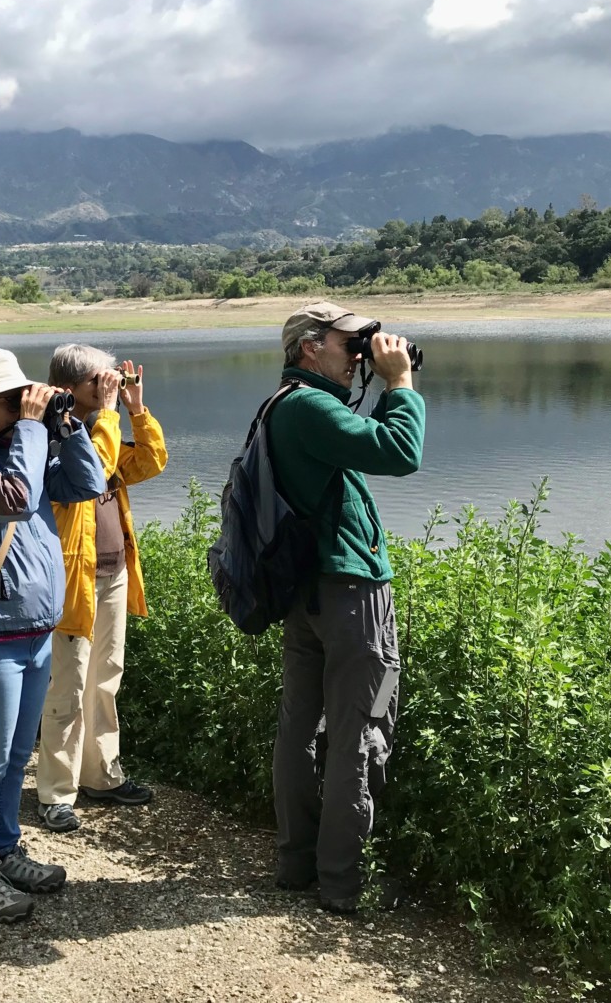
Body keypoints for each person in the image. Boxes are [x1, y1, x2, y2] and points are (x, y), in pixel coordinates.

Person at [267, 302, 425, 915]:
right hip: (351, 596)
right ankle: (342, 881)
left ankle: (297, 865)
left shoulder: (288, 402)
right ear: (311, 348)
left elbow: (366, 447)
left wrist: (380, 381)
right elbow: (399, 453)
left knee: (301, 726)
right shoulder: (309, 406)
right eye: (350, 342)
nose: (362, 351)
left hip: (310, 596)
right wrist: (401, 383)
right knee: (363, 727)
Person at [0, 348, 105, 923]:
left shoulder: (23, 450)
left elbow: (87, 483)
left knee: (15, 758)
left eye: (21, 396)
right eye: (9, 400)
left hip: (35, 633)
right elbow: (14, 500)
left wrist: (71, 424)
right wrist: (33, 427)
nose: (19, 406)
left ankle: (5, 849)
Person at [36, 345, 168, 833]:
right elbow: (93, 473)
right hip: (71, 579)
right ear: (70, 388)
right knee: (67, 686)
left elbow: (151, 461)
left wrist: (135, 408)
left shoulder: (104, 426)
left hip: (112, 573)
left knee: (105, 679)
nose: (109, 385)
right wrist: (110, 413)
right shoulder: (55, 435)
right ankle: (56, 791)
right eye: (101, 380)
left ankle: (102, 775)